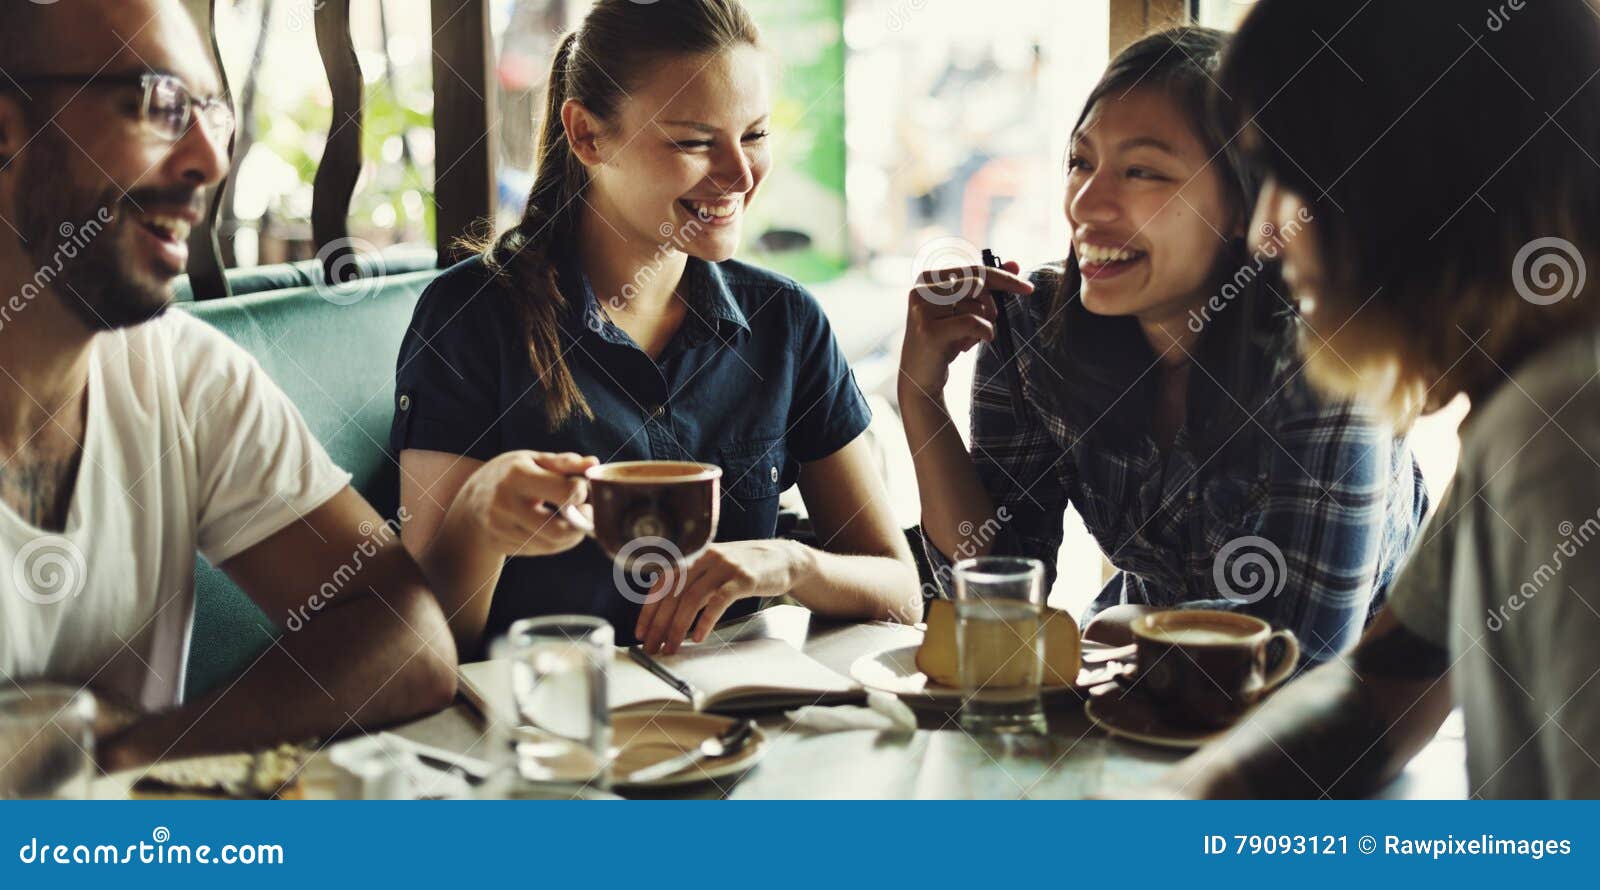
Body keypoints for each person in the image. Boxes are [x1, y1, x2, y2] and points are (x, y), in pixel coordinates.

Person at [1149, 0, 1600, 798]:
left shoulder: (1564, 432)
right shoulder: (1524, 405)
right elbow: (1386, 686)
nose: (1264, 234)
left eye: (1292, 179)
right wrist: (1188, 805)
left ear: (1411, 186)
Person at [0, 0, 457, 772]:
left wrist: (131, 752)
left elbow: (404, 635)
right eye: (161, 105)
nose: (210, 159)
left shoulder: (180, 371)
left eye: (214, 112)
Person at [392, 0, 920, 659]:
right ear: (587, 135)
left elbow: (900, 592)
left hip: (737, 730)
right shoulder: (469, 317)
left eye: (754, 135)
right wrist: (478, 519)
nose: (740, 174)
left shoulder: (784, 322)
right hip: (551, 734)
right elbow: (415, 652)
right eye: (695, 142)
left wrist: (789, 565)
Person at [898, 27, 1427, 664]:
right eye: (1080, 162)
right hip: (1143, 694)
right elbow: (995, 593)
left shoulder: (1327, 360)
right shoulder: (1036, 329)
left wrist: (1120, 625)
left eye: (1143, 171)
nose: (1087, 205)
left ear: (1245, 205)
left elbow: (1299, 651)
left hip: (1344, 732)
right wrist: (922, 398)